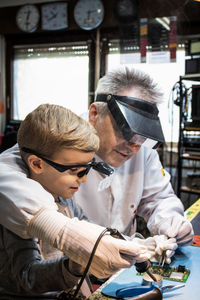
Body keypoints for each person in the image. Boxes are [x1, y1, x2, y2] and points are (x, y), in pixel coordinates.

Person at [0, 67, 192, 267]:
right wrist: (62, 231)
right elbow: (4, 174)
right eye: (126, 132)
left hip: (123, 261)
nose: (134, 146)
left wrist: (169, 221)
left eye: (142, 137)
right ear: (94, 114)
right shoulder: (61, 136)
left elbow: (159, 198)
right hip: (66, 268)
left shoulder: (142, 151)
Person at [0, 103, 159, 298]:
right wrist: (76, 265)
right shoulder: (15, 213)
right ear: (37, 164)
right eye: (76, 171)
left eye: (87, 169)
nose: (83, 179)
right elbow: (28, 277)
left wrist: (136, 246)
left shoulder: (63, 197)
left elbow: (89, 228)